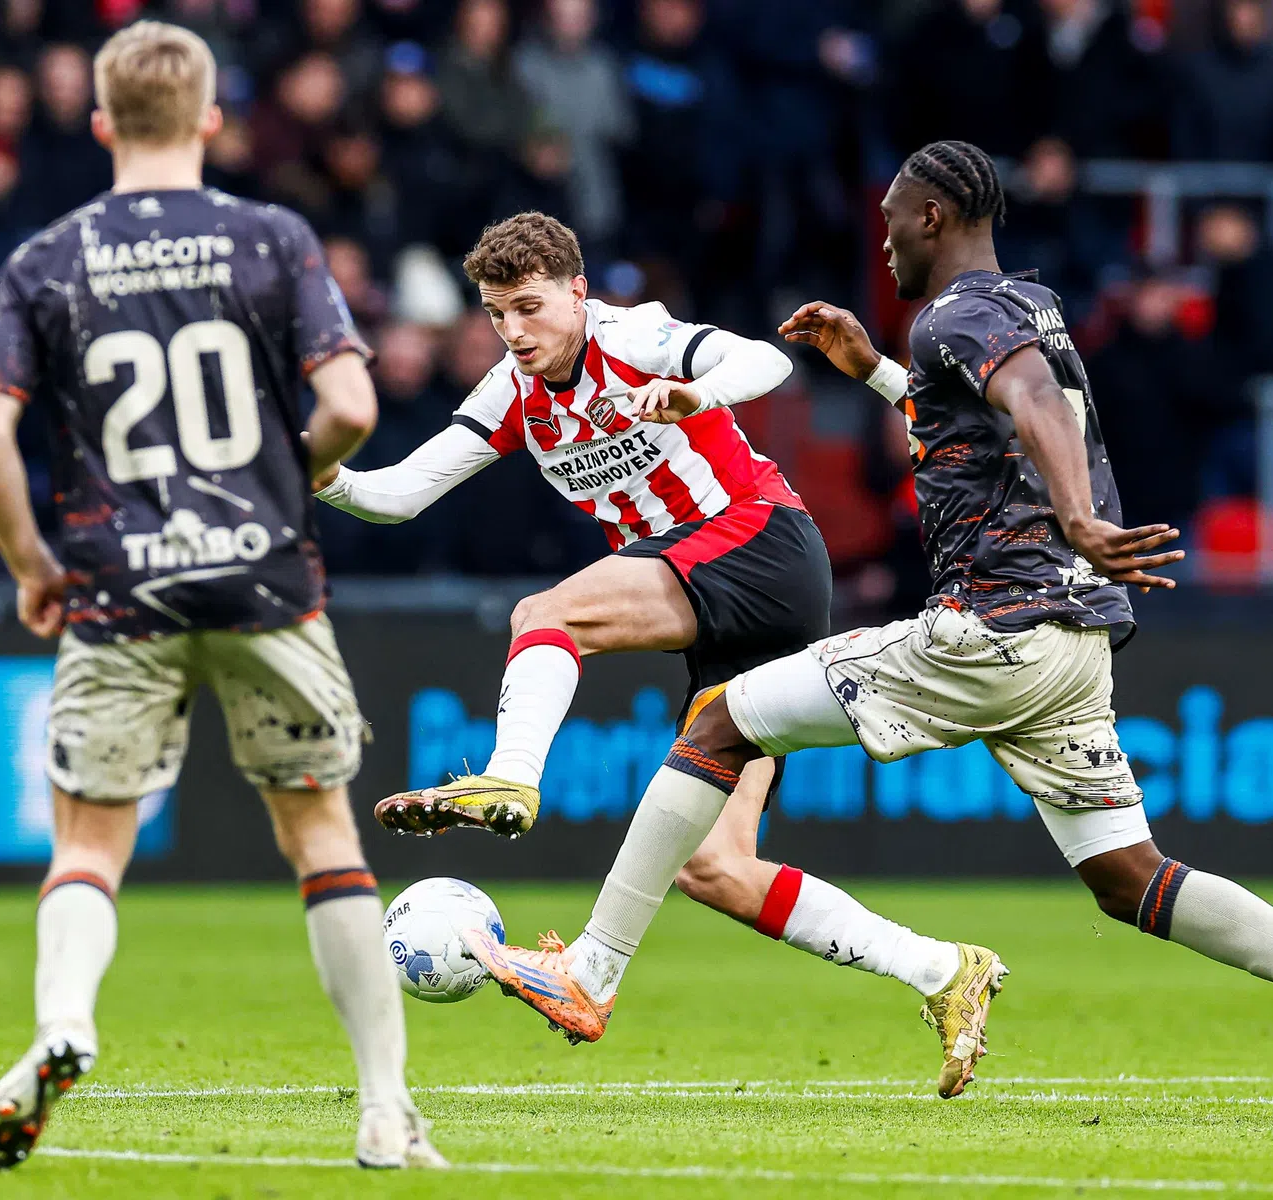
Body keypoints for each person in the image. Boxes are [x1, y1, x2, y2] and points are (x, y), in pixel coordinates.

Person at [464, 141, 1273, 1123]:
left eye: (892, 215)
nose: (879, 235)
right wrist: (875, 371)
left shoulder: (957, 314)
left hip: (992, 630)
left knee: (719, 720)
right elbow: (979, 420)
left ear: (933, 216)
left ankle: (590, 971)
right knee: (1126, 876)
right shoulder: (1026, 304)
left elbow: (1029, 403)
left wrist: (1079, 517)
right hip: (1071, 646)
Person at [0, 20, 443, 1172]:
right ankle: (384, 1110)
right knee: (320, 834)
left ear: (99, 124)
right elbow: (357, 405)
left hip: (119, 584)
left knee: (90, 843)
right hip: (267, 575)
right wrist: (296, 471)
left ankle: (64, 1027)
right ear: (213, 120)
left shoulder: (48, 258)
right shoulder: (271, 237)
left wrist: (34, 569)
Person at [316, 211, 983, 1046]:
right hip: (718, 606)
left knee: (546, 615)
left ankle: (510, 779)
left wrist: (693, 392)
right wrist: (321, 470)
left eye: (529, 307)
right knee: (717, 869)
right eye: (496, 313)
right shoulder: (511, 394)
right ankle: (945, 970)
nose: (513, 331)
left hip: (758, 540)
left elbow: (766, 360)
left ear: (578, 292)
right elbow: (399, 495)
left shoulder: (634, 335)